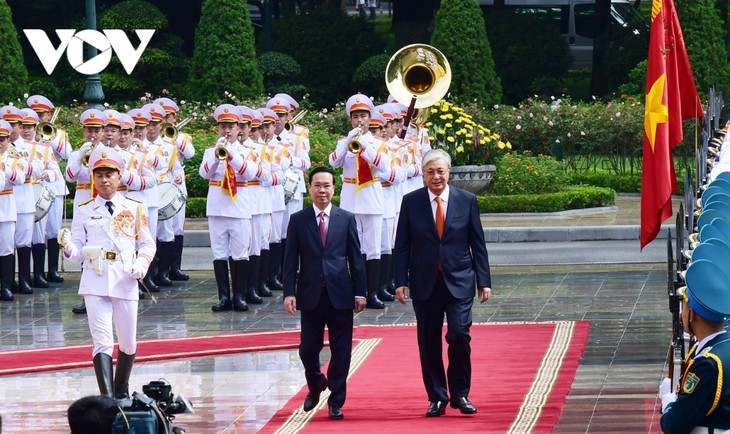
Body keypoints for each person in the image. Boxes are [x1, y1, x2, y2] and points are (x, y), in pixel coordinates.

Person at [393, 148, 492, 417]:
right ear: (423, 174)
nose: (436, 176)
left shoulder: (467, 200)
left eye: (440, 171)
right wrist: (400, 280)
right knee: (428, 341)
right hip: (425, 282)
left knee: (459, 335)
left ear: (449, 172)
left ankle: (460, 394)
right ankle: (437, 396)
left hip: (460, 280)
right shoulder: (411, 202)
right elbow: (402, 245)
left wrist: (484, 280)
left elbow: (477, 243)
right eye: (430, 172)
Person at [60, 144, 156, 398]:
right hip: (95, 277)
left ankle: (121, 390)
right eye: (99, 175)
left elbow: (146, 243)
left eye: (109, 174)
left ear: (119, 176)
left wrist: (141, 264)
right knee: (101, 340)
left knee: (128, 341)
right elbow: (78, 251)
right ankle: (107, 398)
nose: (104, 180)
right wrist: (68, 247)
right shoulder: (84, 208)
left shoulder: (134, 206)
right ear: (93, 177)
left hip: (125, 276)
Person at [283, 166, 367, 420]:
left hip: (341, 294)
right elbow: (290, 260)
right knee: (308, 349)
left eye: (327, 185)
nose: (322, 190)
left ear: (334, 188)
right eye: (317, 185)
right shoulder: (298, 220)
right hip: (310, 295)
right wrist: (289, 292)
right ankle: (317, 382)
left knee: (342, 350)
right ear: (309, 188)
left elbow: (356, 258)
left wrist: (360, 292)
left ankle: (336, 400)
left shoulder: (346, 218)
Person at [660, 256, 730, 433]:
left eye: (684, 305)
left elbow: (675, 425)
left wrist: (668, 402)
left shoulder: (707, 364)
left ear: (692, 314)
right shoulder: (720, 347)